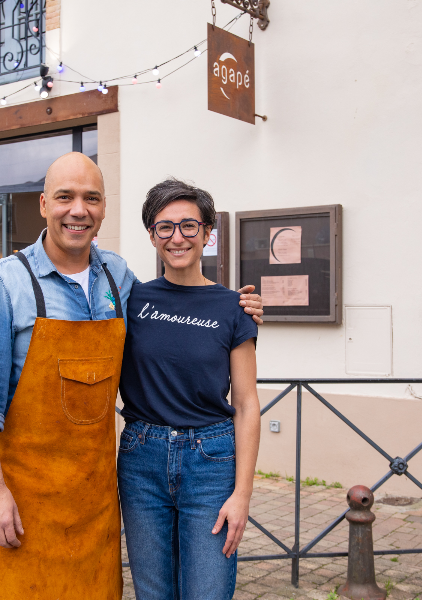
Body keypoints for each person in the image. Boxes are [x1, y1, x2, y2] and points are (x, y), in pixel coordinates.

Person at [0, 153, 263, 599]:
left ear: (103, 210)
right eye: (65, 197)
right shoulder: (5, 284)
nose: (78, 210)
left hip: (100, 491)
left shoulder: (118, 279)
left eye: (91, 198)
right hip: (32, 495)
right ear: (44, 204)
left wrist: (244, 311)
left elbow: (191, 333)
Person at [117, 178, 261, 600]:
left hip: (212, 461)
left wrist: (242, 494)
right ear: (151, 235)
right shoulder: (131, 301)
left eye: (188, 226)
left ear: (207, 233)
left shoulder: (233, 307)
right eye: (165, 227)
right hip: (141, 459)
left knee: (207, 590)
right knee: (153, 591)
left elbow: (248, 404)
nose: (177, 237)